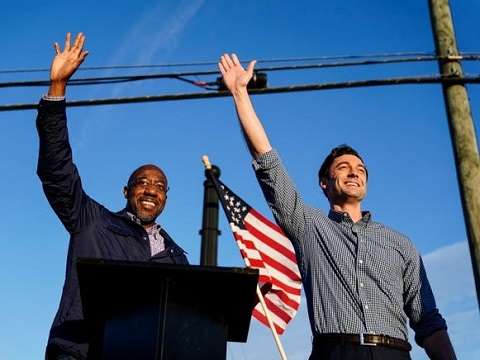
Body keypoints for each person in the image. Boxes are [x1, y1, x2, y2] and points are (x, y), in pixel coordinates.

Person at [218, 53, 456, 360]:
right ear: (325, 183)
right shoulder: (309, 225)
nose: (354, 171)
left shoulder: (401, 244)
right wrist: (240, 93)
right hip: (335, 351)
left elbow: (429, 322)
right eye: (343, 167)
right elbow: (268, 163)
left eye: (360, 168)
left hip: (395, 353)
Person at [37, 33, 188, 360]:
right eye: (142, 182)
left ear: (166, 198)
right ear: (127, 191)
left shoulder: (176, 257)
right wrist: (57, 89)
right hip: (79, 352)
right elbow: (57, 170)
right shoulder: (92, 222)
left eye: (160, 186)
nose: (151, 190)